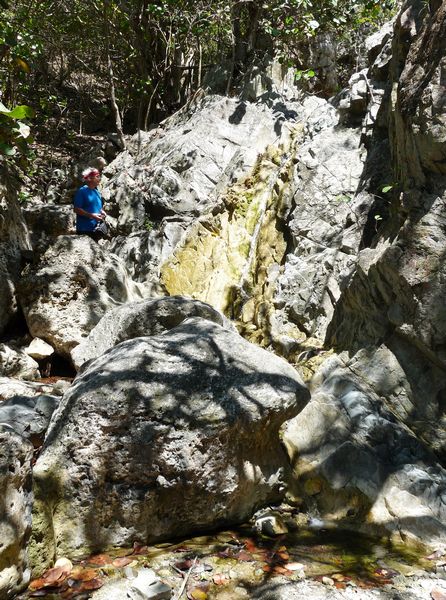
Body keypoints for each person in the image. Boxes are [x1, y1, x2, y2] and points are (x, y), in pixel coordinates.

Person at [73, 167, 107, 241]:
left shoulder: (97, 192)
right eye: (97, 176)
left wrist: (102, 211)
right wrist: (91, 215)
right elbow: (76, 209)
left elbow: (98, 207)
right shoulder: (82, 191)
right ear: (90, 178)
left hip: (96, 229)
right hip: (84, 230)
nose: (99, 178)